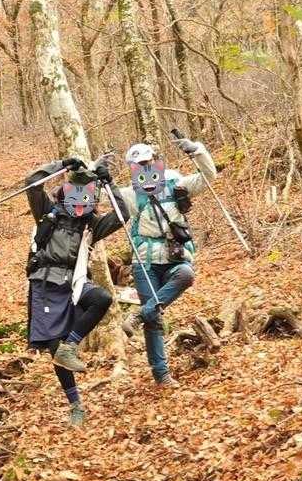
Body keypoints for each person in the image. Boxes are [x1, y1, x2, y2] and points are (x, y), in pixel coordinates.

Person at [24, 155, 128, 426]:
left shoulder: (91, 224)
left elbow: (123, 215)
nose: (81, 202)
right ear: (65, 194)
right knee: (53, 346)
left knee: (102, 298)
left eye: (87, 197)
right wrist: (61, 164)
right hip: (45, 285)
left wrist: (110, 183)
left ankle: (70, 345)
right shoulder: (47, 211)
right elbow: (32, 182)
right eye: (75, 195)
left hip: (74, 282)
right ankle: (76, 406)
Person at [117, 138, 217, 387]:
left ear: (155, 160)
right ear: (132, 168)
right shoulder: (129, 194)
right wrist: (92, 173)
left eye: (148, 161)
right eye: (139, 164)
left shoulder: (174, 181)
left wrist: (198, 151)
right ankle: (161, 376)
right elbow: (95, 198)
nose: (145, 167)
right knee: (154, 320)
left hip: (175, 256)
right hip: (145, 261)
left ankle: (139, 315)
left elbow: (207, 177)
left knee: (186, 275)